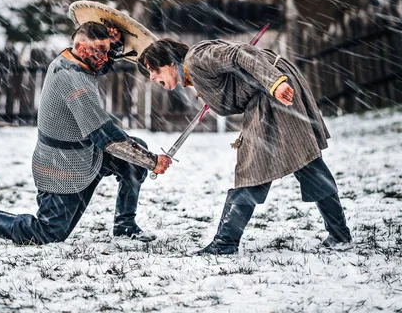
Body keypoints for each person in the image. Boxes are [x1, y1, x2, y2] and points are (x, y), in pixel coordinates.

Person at [0, 21, 172, 245]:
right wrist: (151, 161)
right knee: (46, 233)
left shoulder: (73, 59)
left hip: (86, 154)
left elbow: (99, 63)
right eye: (98, 51)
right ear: (81, 47)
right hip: (62, 168)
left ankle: (125, 227)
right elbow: (106, 138)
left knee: (133, 157)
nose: (103, 58)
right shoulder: (72, 79)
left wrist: (115, 42)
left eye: (106, 51)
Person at [137, 37, 352, 254]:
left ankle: (225, 242)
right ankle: (339, 234)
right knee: (305, 162)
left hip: (271, 94)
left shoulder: (196, 59)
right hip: (268, 93)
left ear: (170, 63)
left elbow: (241, 53)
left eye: (153, 69)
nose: (152, 77)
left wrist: (274, 83)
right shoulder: (193, 68)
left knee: (257, 168)